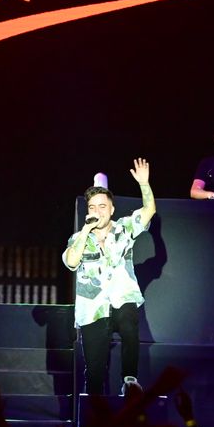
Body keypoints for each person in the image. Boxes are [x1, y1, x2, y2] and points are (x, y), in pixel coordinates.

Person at [63, 158, 155, 395]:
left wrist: (144, 184)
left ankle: (130, 380)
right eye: (92, 207)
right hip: (93, 307)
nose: (97, 211)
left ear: (112, 209)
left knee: (128, 315)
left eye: (102, 206)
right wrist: (85, 230)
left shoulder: (123, 228)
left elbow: (148, 211)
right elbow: (71, 262)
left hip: (121, 298)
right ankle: (93, 413)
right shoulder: (78, 239)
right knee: (94, 371)